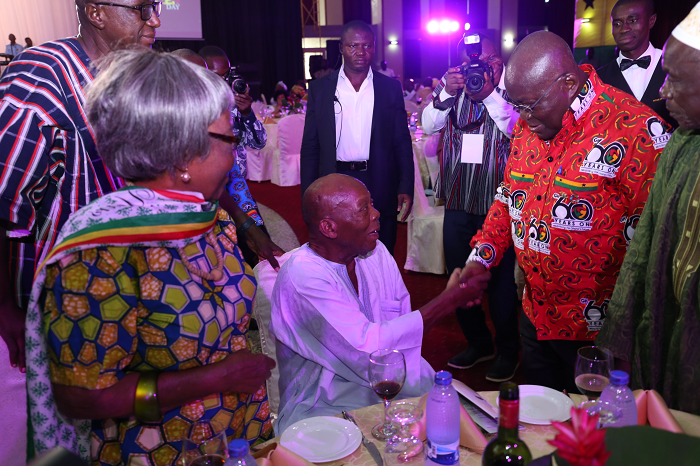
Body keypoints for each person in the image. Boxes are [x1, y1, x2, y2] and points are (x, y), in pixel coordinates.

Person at [28, 48, 276, 464]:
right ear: (182, 155)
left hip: (232, 433)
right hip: (159, 450)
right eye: (229, 139)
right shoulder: (103, 252)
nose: (234, 154)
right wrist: (218, 377)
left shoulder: (202, 218)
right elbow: (80, 397)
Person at [458, 31, 671, 393]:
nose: (522, 118)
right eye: (517, 105)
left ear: (569, 83)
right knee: (546, 428)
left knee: (592, 440)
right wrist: (481, 257)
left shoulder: (636, 130)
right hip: (535, 313)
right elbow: (510, 196)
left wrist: (628, 336)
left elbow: (658, 245)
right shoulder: (532, 124)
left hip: (597, 330)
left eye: (529, 105)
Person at [0, 2, 162, 463]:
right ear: (95, 11)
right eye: (142, 8)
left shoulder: (129, 76)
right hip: (56, 298)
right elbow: (1, 194)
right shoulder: (43, 75)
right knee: (57, 429)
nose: (155, 19)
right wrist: (4, 306)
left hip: (116, 294)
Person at [270, 174, 490, 433]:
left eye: (372, 204)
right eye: (364, 209)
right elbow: (368, 353)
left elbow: (400, 329)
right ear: (329, 228)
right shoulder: (302, 277)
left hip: (394, 386)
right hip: (323, 404)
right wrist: (448, 300)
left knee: (472, 428)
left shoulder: (376, 253)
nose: (377, 213)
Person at [596, 3, 700, 415]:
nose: (664, 92)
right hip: (663, 325)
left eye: (675, 80)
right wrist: (618, 337)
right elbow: (642, 251)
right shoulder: (682, 143)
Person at [422, 33, 521, 382]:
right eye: (471, 64)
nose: (479, 70)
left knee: (502, 286)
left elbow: (517, 129)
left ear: (501, 60)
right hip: (459, 200)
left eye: (488, 61)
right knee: (459, 275)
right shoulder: (453, 89)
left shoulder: (515, 88)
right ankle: (478, 342)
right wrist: (447, 92)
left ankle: (509, 349)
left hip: (500, 204)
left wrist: (490, 94)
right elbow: (427, 125)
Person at [300, 20, 414, 255]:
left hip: (379, 179)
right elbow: (311, 146)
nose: (361, 52)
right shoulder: (321, 89)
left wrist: (405, 185)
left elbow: (401, 141)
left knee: (382, 248)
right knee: (335, 249)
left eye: (367, 46)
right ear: (341, 48)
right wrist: (308, 190)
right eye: (353, 46)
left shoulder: (390, 87)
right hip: (334, 178)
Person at [198, 45, 284, 268]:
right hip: (205, 193)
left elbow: (259, 142)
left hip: (237, 187)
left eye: (227, 74)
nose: (224, 81)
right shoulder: (191, 108)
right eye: (217, 76)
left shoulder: (235, 104)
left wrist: (246, 113)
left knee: (256, 244)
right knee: (219, 254)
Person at [596, 0, 678, 128]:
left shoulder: (676, 66)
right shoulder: (599, 79)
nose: (624, 29)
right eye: (617, 23)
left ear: (651, 21)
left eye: (633, 21)